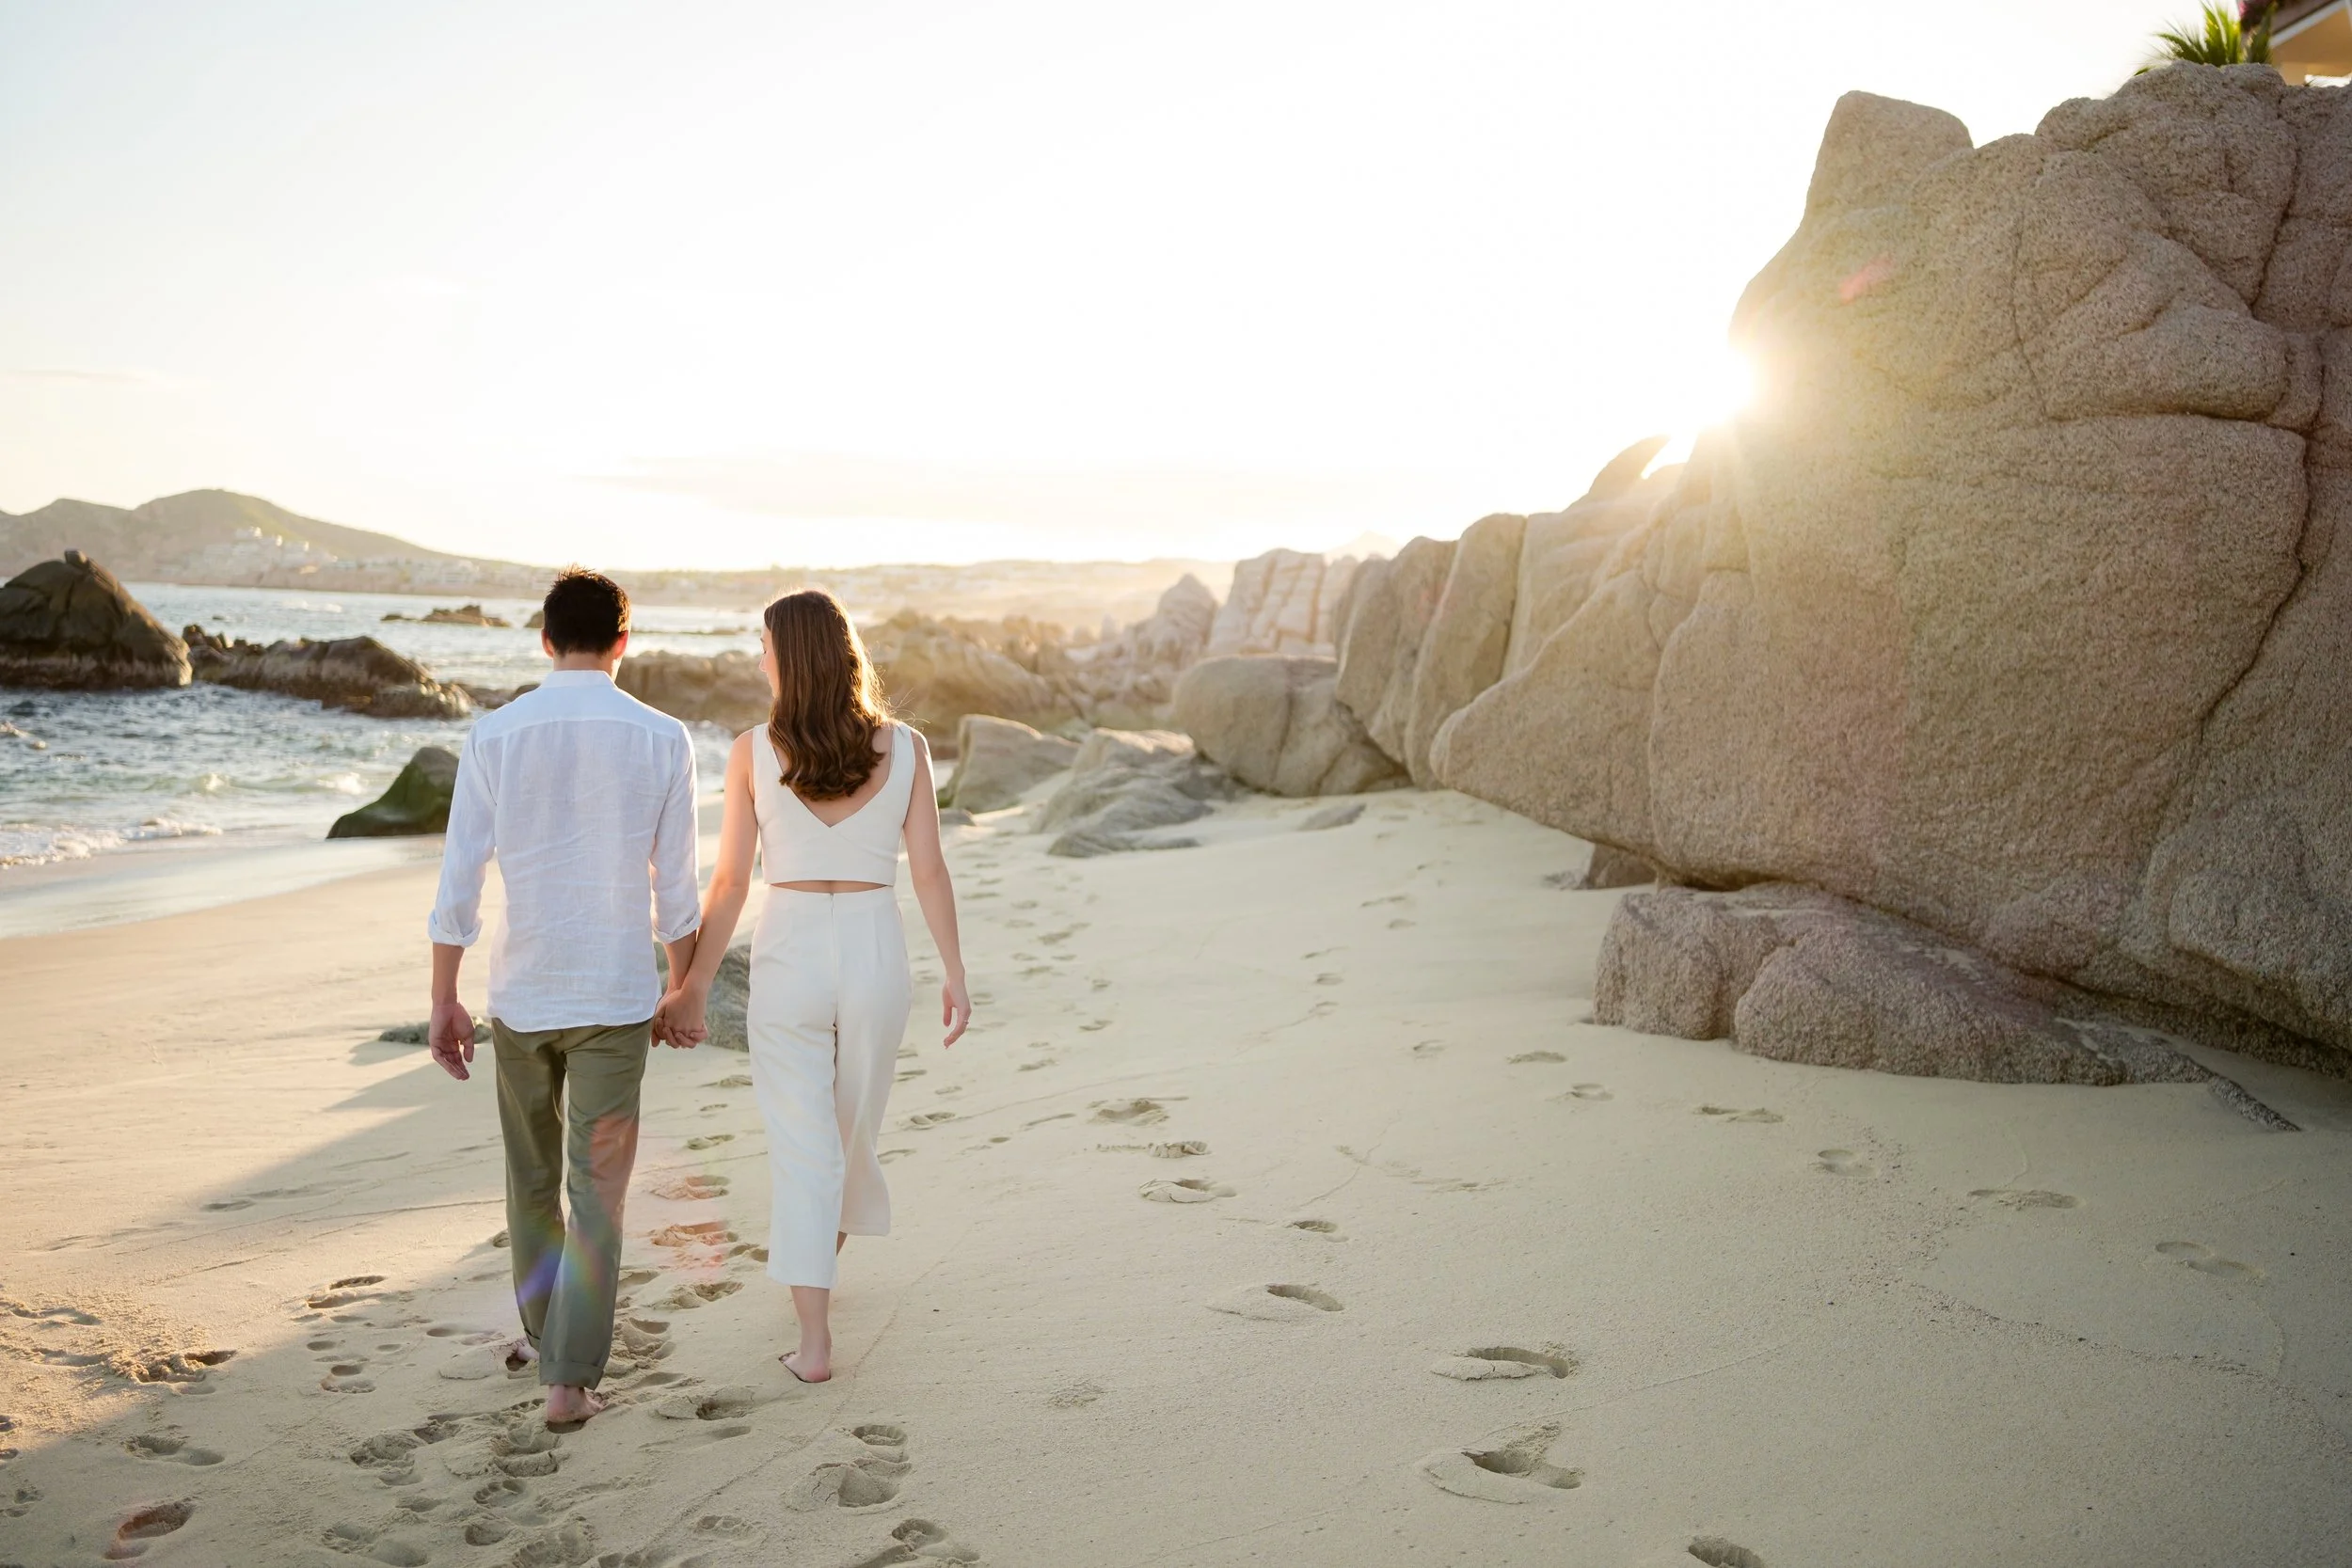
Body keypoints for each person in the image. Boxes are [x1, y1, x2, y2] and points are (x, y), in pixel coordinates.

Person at [658, 588, 969, 1383]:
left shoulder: (751, 750)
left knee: (806, 1147)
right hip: (873, 943)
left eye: (763, 644)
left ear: (788, 656)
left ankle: (815, 1340)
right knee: (849, 1133)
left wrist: (691, 983)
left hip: (792, 944)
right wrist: (954, 972)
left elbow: (728, 882)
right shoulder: (906, 747)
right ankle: (815, 1283)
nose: (758, 657)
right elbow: (928, 870)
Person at [425, 567, 703, 1427]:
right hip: (616, 995)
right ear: (625, 641)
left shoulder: (496, 734)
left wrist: (445, 996)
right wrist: (685, 987)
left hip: (522, 993)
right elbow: (680, 892)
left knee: (532, 1179)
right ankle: (567, 1377)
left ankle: (551, 1340)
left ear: (545, 640)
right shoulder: (664, 738)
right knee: (598, 1190)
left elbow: (459, 876)